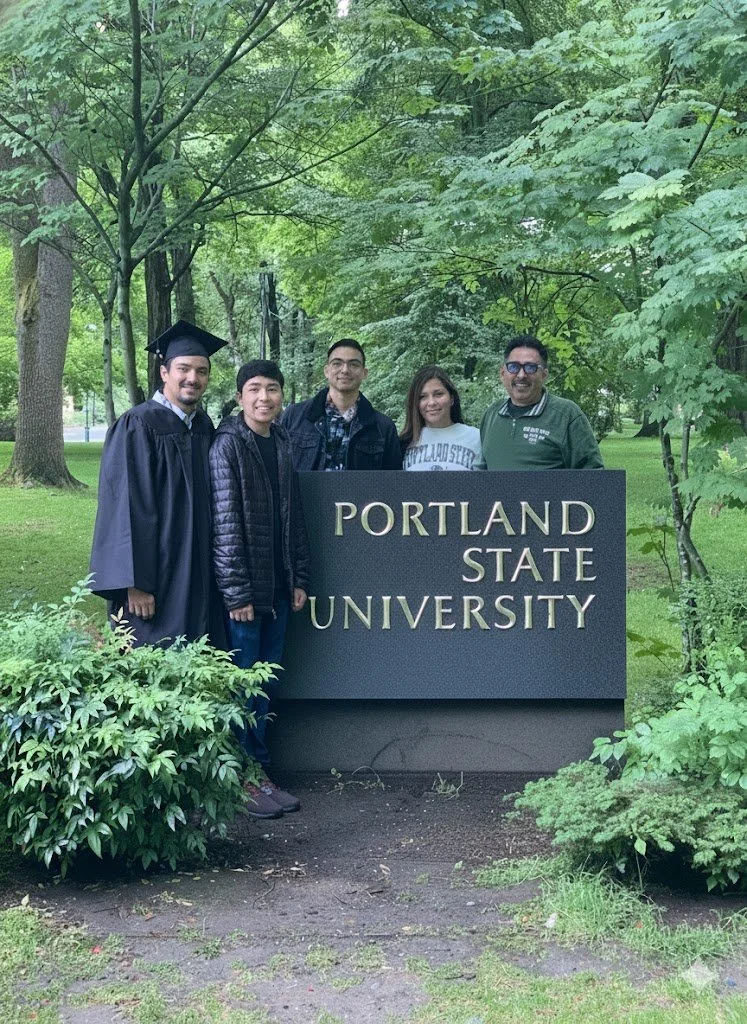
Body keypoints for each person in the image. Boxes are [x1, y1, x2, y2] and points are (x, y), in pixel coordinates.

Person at [209, 360, 310, 819]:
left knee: (265, 685)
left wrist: (298, 579)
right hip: (246, 594)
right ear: (239, 397)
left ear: (281, 397)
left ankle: (260, 772)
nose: (264, 397)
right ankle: (243, 778)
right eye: (254, 389)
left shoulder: (283, 443)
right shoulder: (227, 446)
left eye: (272, 389)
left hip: (278, 587)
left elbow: (296, 522)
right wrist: (236, 593)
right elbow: (224, 525)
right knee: (243, 685)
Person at [89, 321, 227, 647]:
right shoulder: (137, 425)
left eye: (201, 371)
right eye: (183, 368)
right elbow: (124, 508)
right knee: (152, 661)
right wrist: (134, 583)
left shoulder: (204, 427)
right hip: (156, 576)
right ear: (164, 372)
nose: (193, 378)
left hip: (197, 572)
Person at [478, 336, 603, 470]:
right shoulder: (491, 415)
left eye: (530, 367)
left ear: (544, 375)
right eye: (513, 367)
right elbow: (482, 471)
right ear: (503, 373)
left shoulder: (567, 415)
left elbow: (593, 475)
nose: (521, 375)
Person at [281, 338, 401, 470]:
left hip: (359, 492)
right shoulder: (294, 417)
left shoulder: (383, 427)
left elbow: (393, 483)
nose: (345, 370)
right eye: (337, 363)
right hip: (306, 492)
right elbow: (278, 469)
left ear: (364, 373)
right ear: (326, 371)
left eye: (354, 364)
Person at [400, 365, 482, 471]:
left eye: (438, 394)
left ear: (451, 398)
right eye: (422, 397)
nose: (432, 403)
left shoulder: (477, 438)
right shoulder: (403, 444)